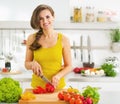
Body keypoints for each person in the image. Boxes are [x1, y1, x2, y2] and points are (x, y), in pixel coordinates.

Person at [25, 4, 72, 90]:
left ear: (53, 17)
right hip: (37, 88)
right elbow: (26, 64)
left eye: (47, 17)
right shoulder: (31, 38)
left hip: (57, 87)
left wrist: (58, 76)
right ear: (38, 21)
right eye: (41, 19)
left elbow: (69, 66)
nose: (45, 21)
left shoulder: (63, 39)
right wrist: (32, 64)